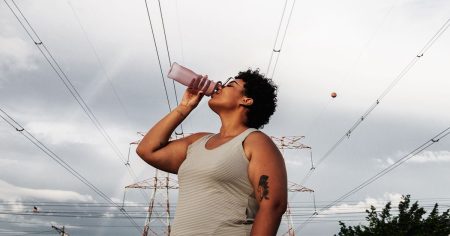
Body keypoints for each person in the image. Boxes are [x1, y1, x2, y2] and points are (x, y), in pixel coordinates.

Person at [136, 69, 288, 235]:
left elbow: (273, 205)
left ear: (246, 100)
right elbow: (147, 150)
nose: (220, 86)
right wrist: (184, 108)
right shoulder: (197, 141)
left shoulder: (255, 142)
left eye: (230, 85)